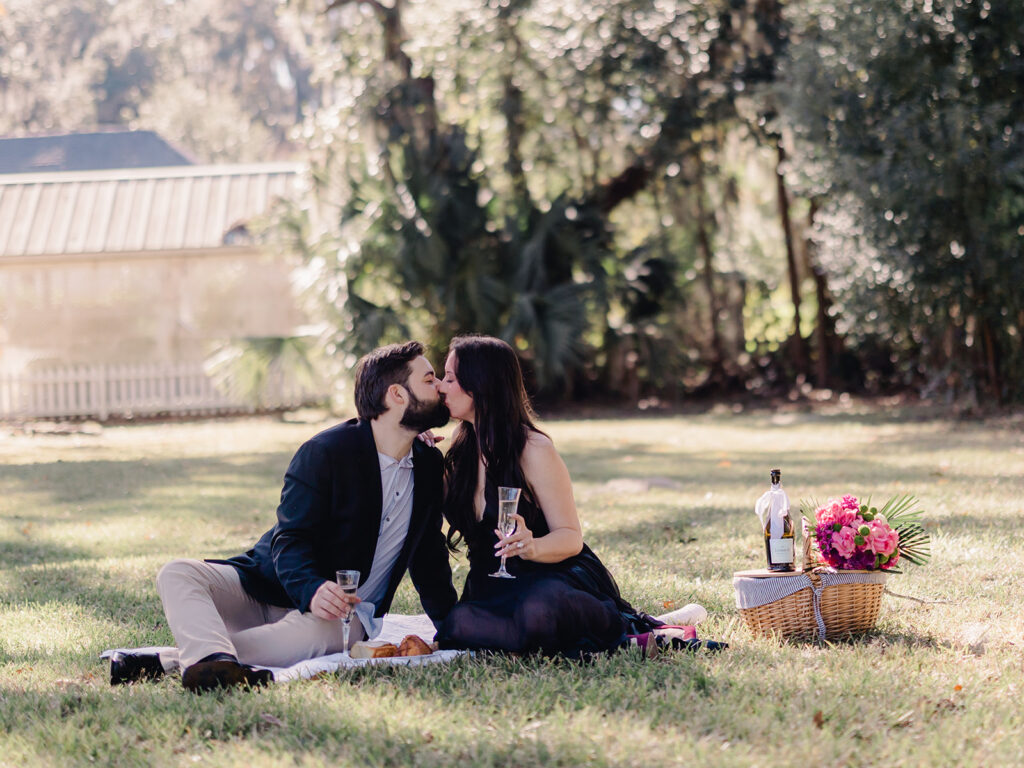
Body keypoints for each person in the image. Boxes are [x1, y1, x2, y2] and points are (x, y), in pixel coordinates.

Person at [110, 341, 458, 691]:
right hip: (267, 587)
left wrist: (453, 628)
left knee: (319, 635)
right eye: (430, 380)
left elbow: (429, 558)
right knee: (177, 573)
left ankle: (191, 660)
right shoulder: (324, 453)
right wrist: (312, 589)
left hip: (341, 616)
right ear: (397, 395)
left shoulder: (428, 466)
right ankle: (209, 659)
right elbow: (291, 539)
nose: (440, 387)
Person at [434, 335, 665, 659]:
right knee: (455, 626)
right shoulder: (458, 456)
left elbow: (571, 537)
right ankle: (523, 637)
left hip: (548, 577)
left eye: (450, 378)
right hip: (492, 586)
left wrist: (532, 547)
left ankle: (620, 631)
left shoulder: (534, 449)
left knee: (538, 611)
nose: (442, 387)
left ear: (480, 384)